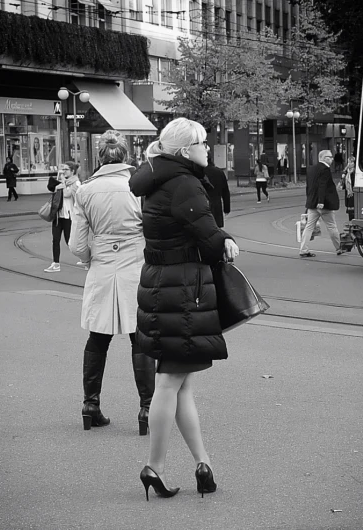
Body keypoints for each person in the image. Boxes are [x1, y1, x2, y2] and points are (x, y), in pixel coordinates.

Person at [129, 117, 240, 501]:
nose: (207, 148)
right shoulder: (185, 183)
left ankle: (203, 464)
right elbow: (207, 236)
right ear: (184, 151)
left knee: (181, 382)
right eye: (203, 143)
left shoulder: (159, 178)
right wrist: (225, 241)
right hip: (182, 289)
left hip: (162, 283)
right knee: (170, 382)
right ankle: (154, 467)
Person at [69, 130, 156, 433]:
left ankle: (90, 404)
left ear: (100, 157)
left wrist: (93, 255)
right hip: (135, 265)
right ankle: (147, 409)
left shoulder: (85, 191)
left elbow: (77, 245)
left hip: (103, 264)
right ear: (126, 155)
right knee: (140, 335)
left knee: (98, 336)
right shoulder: (138, 186)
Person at [299, 150, 342, 257]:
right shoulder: (325, 169)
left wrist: (309, 201)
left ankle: (303, 250)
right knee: (331, 226)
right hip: (324, 204)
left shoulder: (311, 169)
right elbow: (322, 186)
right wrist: (321, 202)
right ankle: (339, 248)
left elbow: (309, 186)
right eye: (330, 157)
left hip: (312, 203)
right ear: (324, 158)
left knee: (309, 227)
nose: (332, 159)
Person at [44, 161, 80, 273]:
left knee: (70, 241)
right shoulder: (61, 182)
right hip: (58, 215)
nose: (63, 171)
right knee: (55, 240)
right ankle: (56, 263)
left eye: (66, 169)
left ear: (72, 171)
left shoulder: (76, 183)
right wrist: (58, 184)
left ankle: (86, 257)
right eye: (62, 169)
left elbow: (67, 194)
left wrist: (62, 184)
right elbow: (53, 190)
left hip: (69, 216)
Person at [203, 155, 231, 228]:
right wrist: (226, 208)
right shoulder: (219, 172)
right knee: (216, 230)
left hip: (201, 206)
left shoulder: (198, 172)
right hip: (216, 206)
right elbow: (225, 192)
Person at [342, 156, 356, 222]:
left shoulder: (355, 172)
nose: (349, 164)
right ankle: (350, 220)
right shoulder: (346, 171)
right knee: (349, 207)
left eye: (351, 162)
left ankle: (353, 220)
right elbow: (343, 184)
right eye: (349, 162)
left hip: (353, 192)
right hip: (348, 192)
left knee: (353, 207)